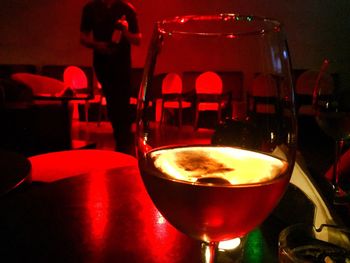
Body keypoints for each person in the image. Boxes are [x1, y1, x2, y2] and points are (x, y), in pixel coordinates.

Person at [80, 0, 141, 154]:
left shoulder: (126, 8)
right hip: (102, 63)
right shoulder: (91, 8)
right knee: (114, 102)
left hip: (122, 63)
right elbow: (83, 37)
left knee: (122, 103)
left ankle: (124, 143)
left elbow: (138, 39)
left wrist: (125, 32)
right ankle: (122, 141)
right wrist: (97, 45)